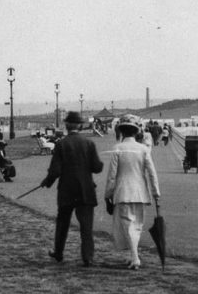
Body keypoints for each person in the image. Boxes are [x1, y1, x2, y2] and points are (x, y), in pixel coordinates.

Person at [38, 111, 104, 266]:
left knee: (62, 223)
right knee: (86, 226)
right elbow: (97, 167)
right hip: (85, 190)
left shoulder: (61, 144)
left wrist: (47, 182)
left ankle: (59, 253)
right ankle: (87, 257)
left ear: (67, 126)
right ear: (80, 126)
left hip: (66, 191)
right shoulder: (89, 143)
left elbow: (55, 171)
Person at [104, 115, 161, 270]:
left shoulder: (117, 148)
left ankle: (135, 258)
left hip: (122, 192)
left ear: (122, 131)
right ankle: (133, 256)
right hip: (140, 193)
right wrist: (156, 193)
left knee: (128, 225)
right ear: (136, 132)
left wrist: (108, 195)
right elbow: (152, 173)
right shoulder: (143, 149)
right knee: (136, 225)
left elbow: (112, 176)